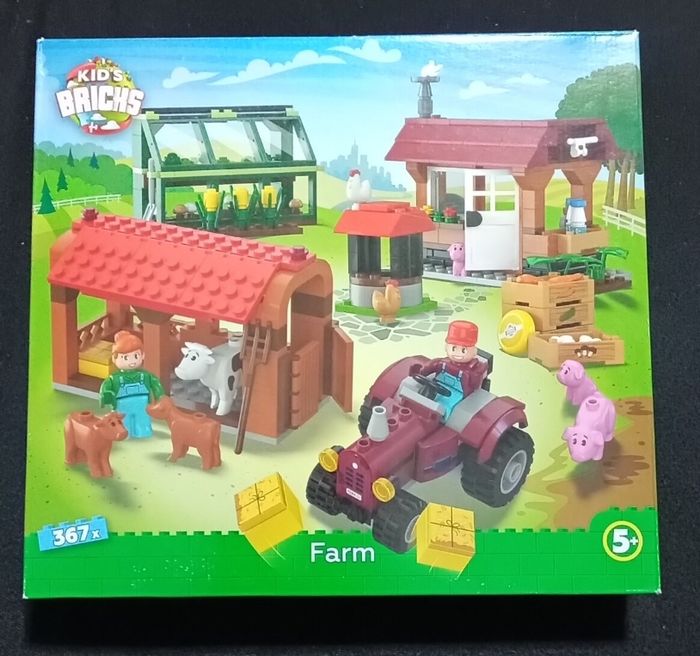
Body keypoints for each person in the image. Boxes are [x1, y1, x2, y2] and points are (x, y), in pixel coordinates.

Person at [99, 331, 165, 439]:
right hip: (122, 404)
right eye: (125, 358)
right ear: (114, 359)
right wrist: (106, 395)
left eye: (135, 356)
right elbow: (105, 388)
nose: (131, 361)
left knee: (142, 420)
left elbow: (155, 384)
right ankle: (125, 433)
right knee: (125, 421)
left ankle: (143, 431)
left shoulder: (145, 375)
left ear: (142, 355)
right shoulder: (114, 378)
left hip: (142, 403)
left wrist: (160, 396)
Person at [419, 320, 488, 416]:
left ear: (474, 352)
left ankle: (439, 418)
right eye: (454, 348)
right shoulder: (442, 363)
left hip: (457, 394)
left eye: (463, 350)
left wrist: (479, 370)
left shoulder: (470, 372)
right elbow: (429, 367)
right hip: (436, 386)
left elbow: (476, 383)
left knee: (444, 408)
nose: (458, 354)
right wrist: (423, 371)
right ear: (446, 348)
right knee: (420, 396)